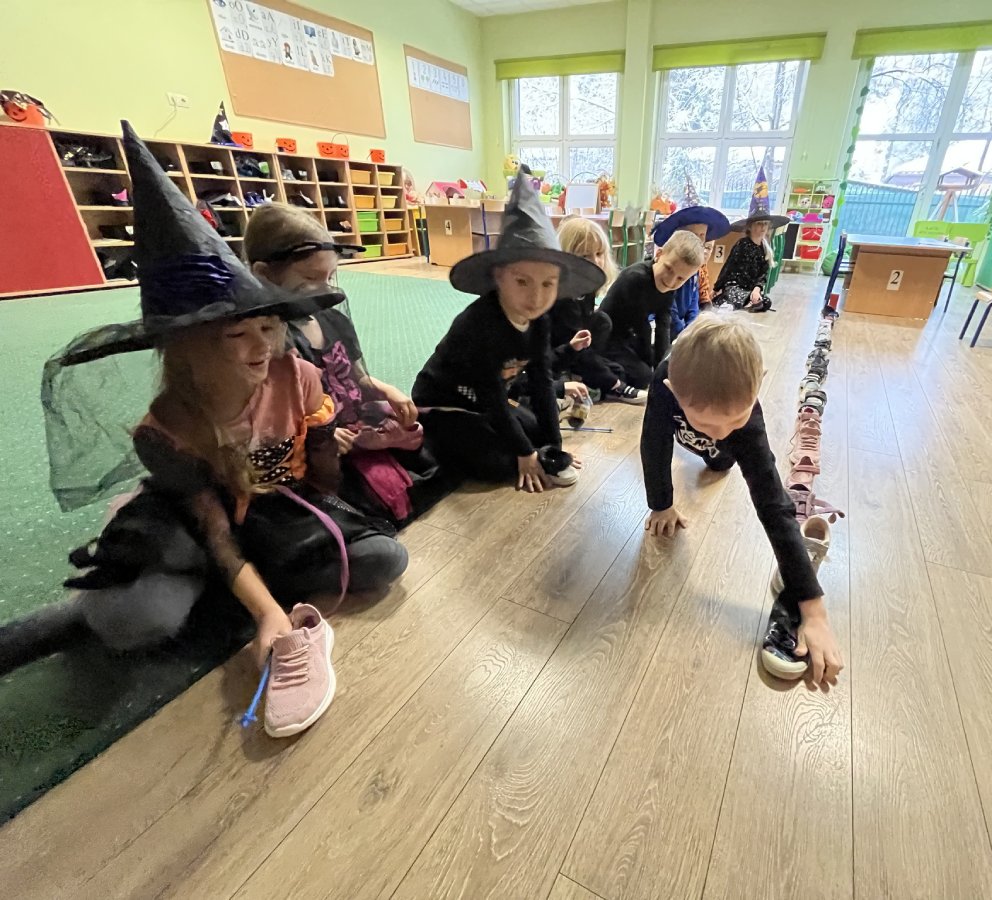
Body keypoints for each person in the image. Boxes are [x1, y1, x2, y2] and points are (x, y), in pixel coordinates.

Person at [1, 123, 407, 738]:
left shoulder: (297, 375)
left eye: (268, 328)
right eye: (234, 335)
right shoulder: (164, 428)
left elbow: (321, 470)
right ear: (187, 347)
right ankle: (77, 615)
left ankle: (233, 591)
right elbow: (215, 531)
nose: (260, 348)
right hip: (201, 524)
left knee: (380, 557)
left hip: (273, 507)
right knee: (134, 620)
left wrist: (332, 498)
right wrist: (269, 613)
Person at [639, 315, 843, 686]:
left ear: (758, 385)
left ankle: (716, 447)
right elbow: (654, 444)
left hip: (721, 441)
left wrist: (813, 610)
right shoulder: (664, 384)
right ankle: (703, 438)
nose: (721, 432)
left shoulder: (744, 422)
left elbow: (773, 504)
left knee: (721, 459)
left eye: (734, 419)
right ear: (672, 390)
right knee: (704, 443)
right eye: (708, 423)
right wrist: (661, 503)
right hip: (683, 426)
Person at [243, 204, 448, 527]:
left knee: (427, 440)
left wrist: (387, 390)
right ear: (264, 274)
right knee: (368, 499)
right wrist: (328, 435)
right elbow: (273, 419)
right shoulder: (267, 340)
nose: (324, 288)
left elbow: (356, 376)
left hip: (353, 414)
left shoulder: (331, 318)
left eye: (329, 277)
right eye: (310, 278)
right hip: (316, 440)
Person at [412, 173, 605, 492]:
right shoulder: (479, 324)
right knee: (500, 464)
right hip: (444, 404)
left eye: (548, 284)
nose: (536, 297)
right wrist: (526, 453)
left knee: (536, 431)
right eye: (522, 281)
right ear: (499, 277)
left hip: (491, 400)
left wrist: (554, 448)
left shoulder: (539, 320)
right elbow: (490, 395)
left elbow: (542, 381)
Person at [553, 216, 645, 404]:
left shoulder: (587, 286)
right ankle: (578, 378)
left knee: (603, 322)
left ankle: (583, 377)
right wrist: (614, 384)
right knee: (616, 377)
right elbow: (574, 343)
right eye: (585, 256)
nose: (595, 261)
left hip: (577, 346)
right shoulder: (563, 296)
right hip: (557, 352)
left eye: (599, 253)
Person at [599, 230, 705, 389]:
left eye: (680, 278)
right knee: (643, 376)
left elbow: (663, 324)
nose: (671, 281)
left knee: (663, 361)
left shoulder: (669, 287)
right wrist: (653, 370)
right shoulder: (636, 278)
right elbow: (642, 328)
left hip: (628, 336)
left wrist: (662, 366)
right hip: (607, 336)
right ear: (659, 254)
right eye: (668, 269)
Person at [651, 176, 730, 339]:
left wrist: (692, 326)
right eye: (694, 235)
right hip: (662, 325)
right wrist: (684, 333)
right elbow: (668, 307)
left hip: (681, 326)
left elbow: (694, 301)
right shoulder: (672, 267)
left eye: (702, 235)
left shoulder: (695, 268)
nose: (699, 241)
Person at [713, 164, 789, 313]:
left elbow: (763, 275)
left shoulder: (765, 248)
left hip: (749, 289)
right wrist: (717, 288)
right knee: (735, 296)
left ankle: (747, 302)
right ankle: (732, 302)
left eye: (765, 224)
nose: (762, 227)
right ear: (750, 226)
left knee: (766, 301)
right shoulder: (742, 244)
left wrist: (757, 290)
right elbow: (728, 267)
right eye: (759, 224)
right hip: (733, 286)